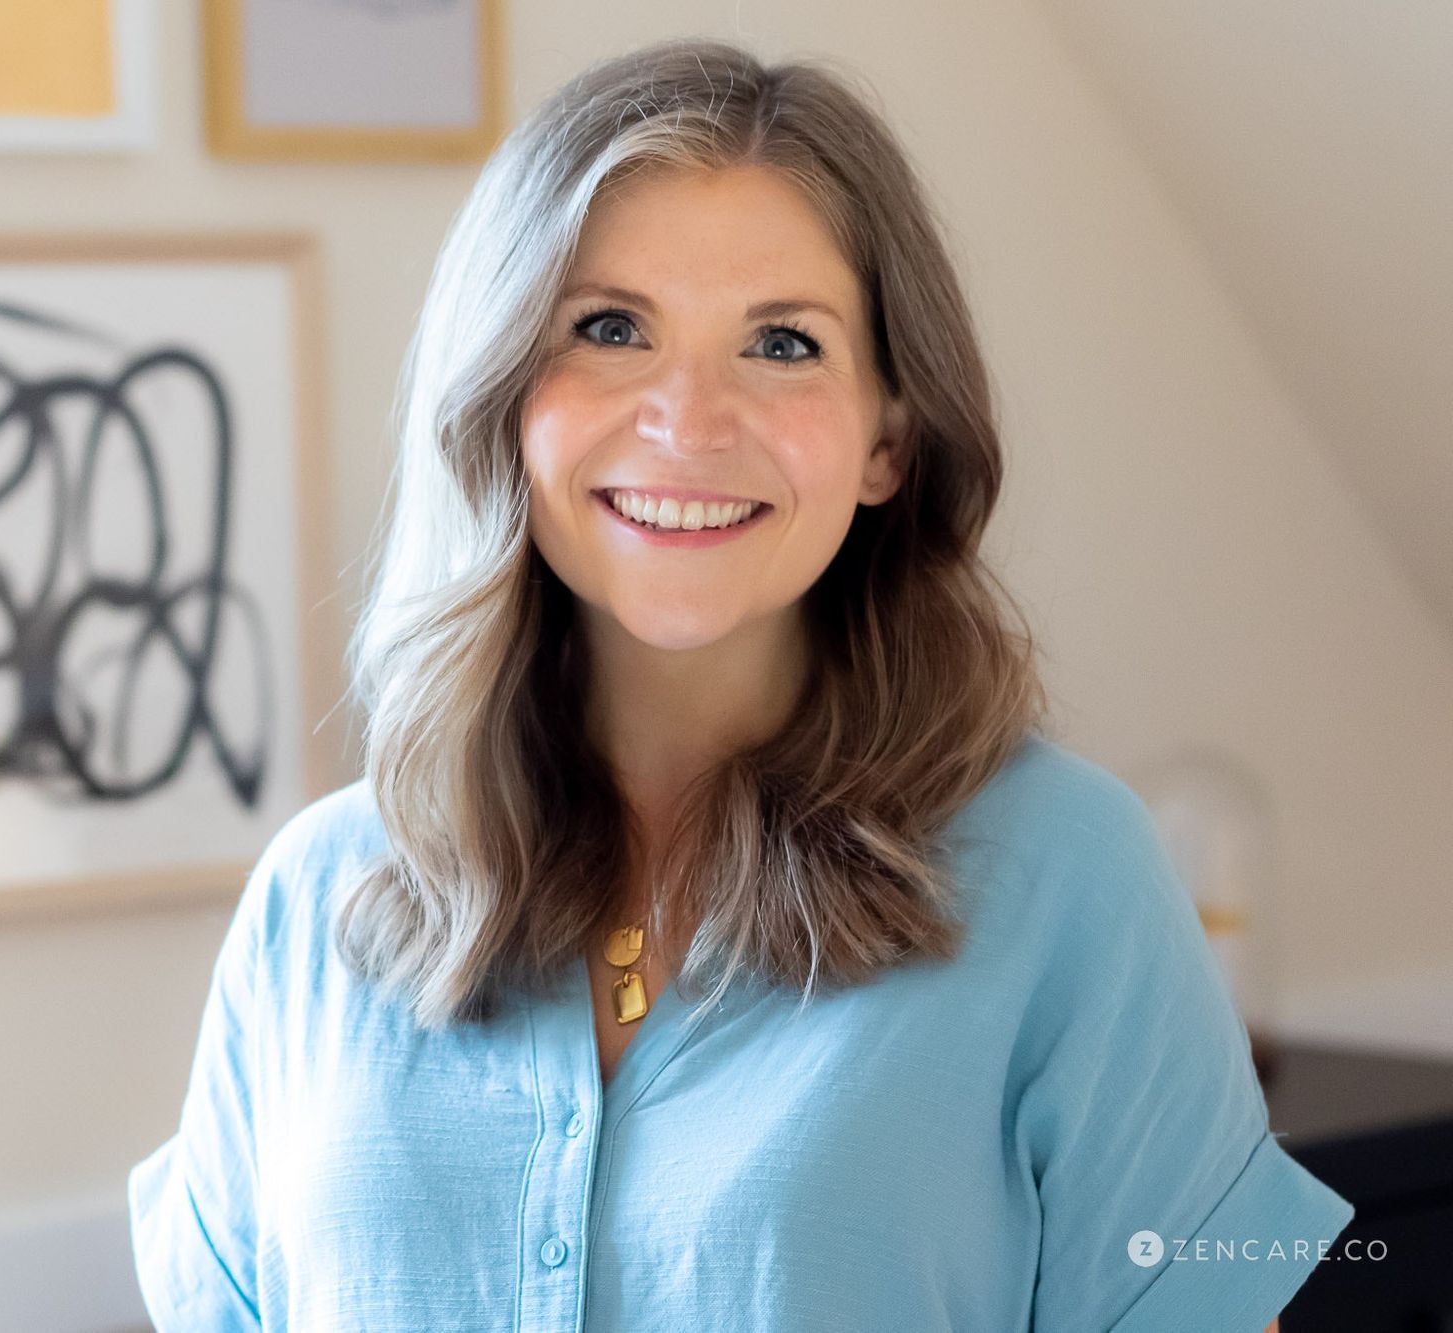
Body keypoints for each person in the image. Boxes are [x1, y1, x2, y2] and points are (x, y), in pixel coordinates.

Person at [128, 36, 1349, 1331]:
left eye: (781, 342)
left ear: (889, 434)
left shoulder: (1068, 877)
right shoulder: (314, 902)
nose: (689, 419)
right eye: (609, 328)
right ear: (500, 397)